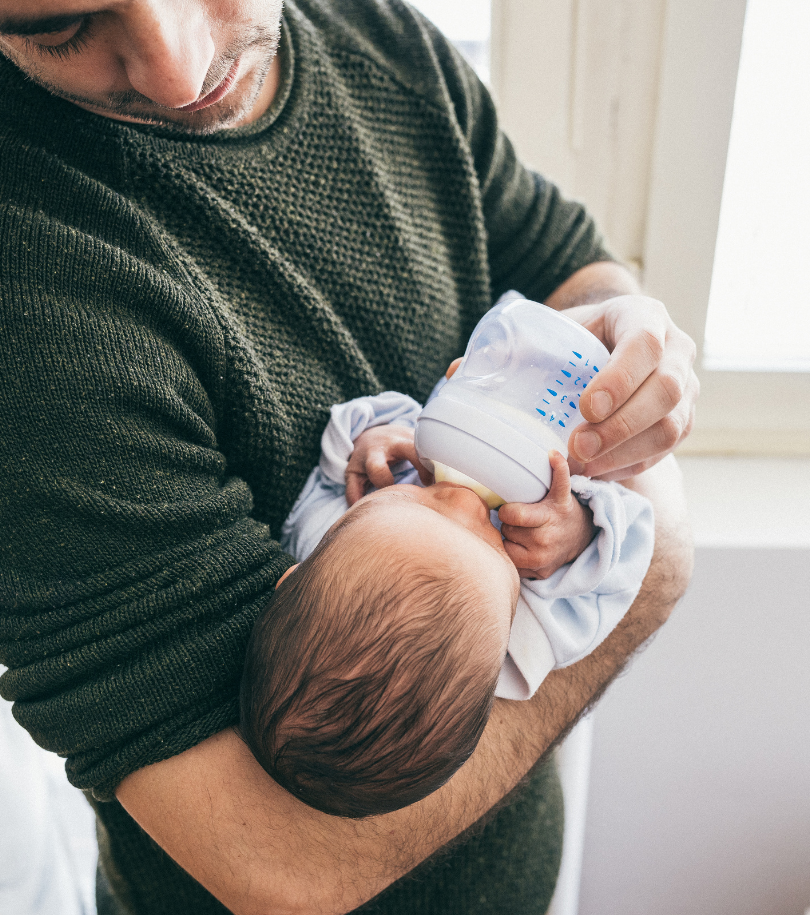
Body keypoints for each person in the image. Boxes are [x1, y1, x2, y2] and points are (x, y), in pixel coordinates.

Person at [0, 1, 697, 913]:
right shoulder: (33, 305)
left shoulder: (373, 32)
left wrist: (630, 330)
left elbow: (560, 260)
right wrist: (658, 563)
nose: (178, 72)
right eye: (61, 27)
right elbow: (283, 868)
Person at [240, 384, 655, 819]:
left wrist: (375, 439)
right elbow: (626, 561)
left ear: (294, 578)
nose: (464, 500)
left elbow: (333, 459)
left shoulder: (323, 539)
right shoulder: (524, 642)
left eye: (416, 504)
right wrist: (578, 533)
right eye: (489, 543)